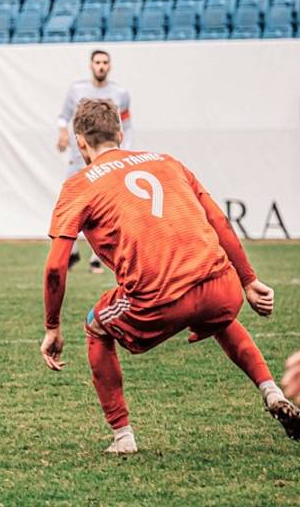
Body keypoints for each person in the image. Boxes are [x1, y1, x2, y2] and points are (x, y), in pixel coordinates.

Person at [39, 98, 299, 453]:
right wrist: (249, 281)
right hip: (222, 288)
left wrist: (52, 326)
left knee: (95, 326)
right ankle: (271, 391)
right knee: (217, 315)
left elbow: (56, 266)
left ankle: (123, 437)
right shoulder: (167, 161)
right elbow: (218, 221)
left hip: (158, 299)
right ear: (119, 132)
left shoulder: (79, 185)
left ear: (80, 142)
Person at [57, 50, 132, 273]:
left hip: (107, 158)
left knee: (105, 206)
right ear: (91, 65)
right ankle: (70, 252)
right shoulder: (77, 90)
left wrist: (125, 152)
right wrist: (62, 132)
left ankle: (96, 258)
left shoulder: (120, 93)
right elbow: (63, 116)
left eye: (105, 62)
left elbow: (126, 125)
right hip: (79, 157)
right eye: (97, 62)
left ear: (109, 66)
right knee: (70, 202)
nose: (101, 66)